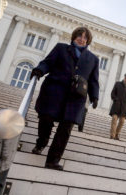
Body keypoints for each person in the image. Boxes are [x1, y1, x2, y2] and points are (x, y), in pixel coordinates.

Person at [30, 27, 99, 171]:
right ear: (74, 37)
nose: (81, 39)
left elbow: (93, 80)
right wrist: (39, 70)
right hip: (54, 91)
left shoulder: (93, 59)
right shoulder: (61, 48)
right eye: (79, 36)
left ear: (88, 40)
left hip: (75, 98)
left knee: (65, 129)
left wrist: (95, 96)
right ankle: (41, 143)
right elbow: (48, 62)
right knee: (46, 120)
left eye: (85, 37)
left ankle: (53, 160)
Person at [109, 73, 126, 140]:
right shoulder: (117, 84)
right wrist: (115, 99)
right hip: (116, 105)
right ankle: (112, 135)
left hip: (125, 107)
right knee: (114, 119)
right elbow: (112, 93)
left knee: (122, 121)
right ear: (124, 77)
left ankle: (117, 134)